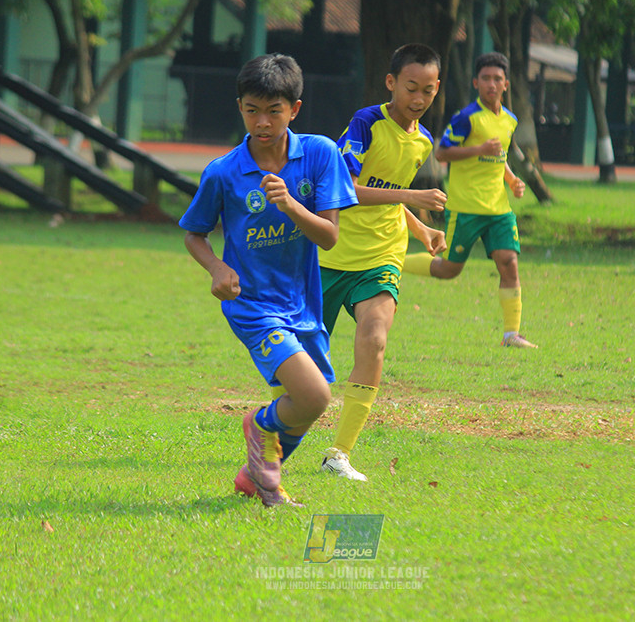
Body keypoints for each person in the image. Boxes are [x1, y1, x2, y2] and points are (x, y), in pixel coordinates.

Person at [179, 53, 358, 507]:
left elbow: (331, 237)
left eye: (274, 111)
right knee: (313, 396)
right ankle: (259, 430)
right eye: (252, 110)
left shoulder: (319, 154)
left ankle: (254, 478)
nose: (262, 122)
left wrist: (292, 206)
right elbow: (194, 234)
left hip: (303, 302)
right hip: (253, 305)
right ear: (240, 107)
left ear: (294, 109)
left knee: (305, 406)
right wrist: (218, 268)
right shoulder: (224, 171)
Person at [319, 43, 449, 482]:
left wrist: (420, 228)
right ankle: (273, 433)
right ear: (391, 82)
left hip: (381, 255)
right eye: (411, 87)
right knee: (303, 360)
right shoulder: (366, 123)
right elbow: (345, 189)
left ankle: (339, 453)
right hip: (329, 253)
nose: (419, 99)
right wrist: (412, 197)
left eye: (428, 91)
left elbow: (387, 196)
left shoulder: (424, 141)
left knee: (374, 341)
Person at [404, 51, 538, 349]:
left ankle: (511, 335)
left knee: (509, 264)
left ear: (506, 85)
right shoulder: (466, 118)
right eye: (486, 79)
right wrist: (479, 150)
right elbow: (441, 153)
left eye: (498, 79)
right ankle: (397, 263)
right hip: (465, 208)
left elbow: (499, 155)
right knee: (449, 269)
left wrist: (511, 179)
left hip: (499, 210)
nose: (492, 84)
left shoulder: (510, 120)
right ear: (476, 82)